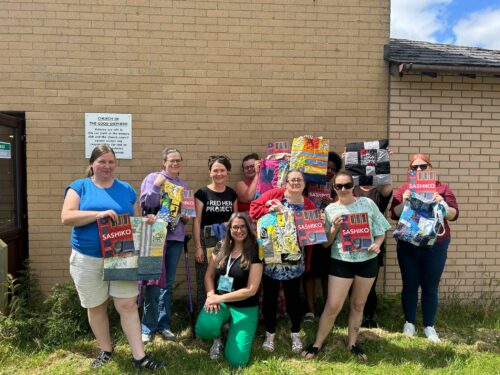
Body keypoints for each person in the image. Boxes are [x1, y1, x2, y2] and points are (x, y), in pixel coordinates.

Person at [61, 145, 163, 370]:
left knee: (127, 304)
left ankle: (139, 357)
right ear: (92, 164)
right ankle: (106, 350)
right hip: (87, 257)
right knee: (96, 306)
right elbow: (67, 217)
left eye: (111, 162)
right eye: (102, 162)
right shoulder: (80, 187)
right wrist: (98, 214)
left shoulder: (126, 189)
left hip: (122, 254)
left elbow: (135, 221)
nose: (107, 166)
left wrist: (147, 222)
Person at [302, 171, 391, 361]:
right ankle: (317, 343)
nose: (343, 189)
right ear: (334, 188)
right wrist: (333, 228)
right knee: (333, 305)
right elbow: (325, 243)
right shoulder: (330, 210)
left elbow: (381, 230)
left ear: (353, 186)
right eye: (338, 186)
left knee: (358, 305)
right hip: (341, 261)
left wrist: (377, 243)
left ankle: (352, 343)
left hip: (367, 261)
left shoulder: (367, 204)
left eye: (347, 186)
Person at [390, 154, 458, 343]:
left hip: (435, 244)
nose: (418, 170)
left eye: (422, 166)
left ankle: (429, 326)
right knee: (410, 285)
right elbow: (393, 214)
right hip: (408, 244)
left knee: (430, 287)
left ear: (430, 167)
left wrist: (442, 203)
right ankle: (409, 323)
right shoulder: (405, 188)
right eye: (414, 167)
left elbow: (454, 214)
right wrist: (404, 201)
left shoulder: (442, 188)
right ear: (410, 171)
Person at [250, 169, 315, 353]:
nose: (295, 183)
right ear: (286, 182)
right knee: (270, 297)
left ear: (304, 183)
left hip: (294, 259)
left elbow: (310, 233)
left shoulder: (308, 204)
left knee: (293, 298)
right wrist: (270, 209)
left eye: (299, 180)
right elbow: (254, 209)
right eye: (292, 180)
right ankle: (270, 334)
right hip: (271, 256)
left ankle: (295, 333)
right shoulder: (275, 195)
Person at [195, 212, 263, 367]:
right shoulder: (221, 246)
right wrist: (211, 296)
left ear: (248, 228)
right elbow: (209, 276)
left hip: (245, 307)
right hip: (222, 303)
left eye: (242, 227)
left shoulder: (255, 250)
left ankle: (230, 332)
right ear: (229, 230)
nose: (239, 230)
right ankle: (218, 338)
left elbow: (251, 290)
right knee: (204, 328)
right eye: (235, 227)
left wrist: (219, 298)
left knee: (237, 360)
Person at [139, 147, 190, 343]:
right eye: (171, 160)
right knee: (152, 283)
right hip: (154, 236)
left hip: (175, 237)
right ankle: (147, 327)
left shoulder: (183, 186)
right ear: (164, 162)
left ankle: (164, 325)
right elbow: (147, 205)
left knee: (167, 284)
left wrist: (186, 217)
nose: (175, 163)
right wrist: (157, 186)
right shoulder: (153, 178)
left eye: (178, 160)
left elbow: (186, 214)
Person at [193, 155, 238, 358]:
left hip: (227, 244)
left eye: (222, 170)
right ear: (210, 172)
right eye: (215, 170)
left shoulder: (232, 193)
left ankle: (225, 323)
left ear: (227, 172)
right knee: (207, 282)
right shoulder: (202, 193)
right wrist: (198, 247)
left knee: (226, 282)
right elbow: (196, 222)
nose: (218, 173)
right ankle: (206, 327)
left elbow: (236, 221)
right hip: (207, 243)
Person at [303, 151, 342, 321]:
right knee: (309, 273)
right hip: (309, 231)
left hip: (329, 236)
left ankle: (328, 309)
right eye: (326, 167)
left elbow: (344, 208)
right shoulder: (307, 184)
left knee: (327, 273)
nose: (329, 171)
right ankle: (310, 310)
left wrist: (332, 203)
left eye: (333, 169)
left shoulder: (337, 189)